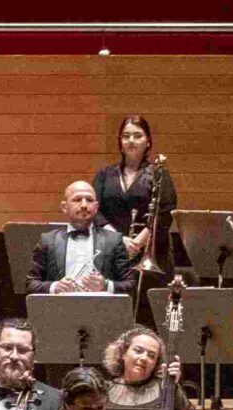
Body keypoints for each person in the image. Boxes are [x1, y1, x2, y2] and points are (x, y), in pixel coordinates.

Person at [91, 115, 176, 276]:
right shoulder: (105, 174)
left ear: (148, 142)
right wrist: (118, 239)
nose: (131, 140)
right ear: (120, 143)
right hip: (111, 251)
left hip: (153, 253)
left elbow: (165, 213)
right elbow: (94, 210)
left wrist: (137, 243)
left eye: (138, 136)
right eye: (126, 136)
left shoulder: (159, 173)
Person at [30, 182, 133, 294]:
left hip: (101, 309)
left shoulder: (113, 240)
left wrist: (106, 286)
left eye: (89, 200)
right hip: (59, 308)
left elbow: (130, 285)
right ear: (64, 207)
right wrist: (55, 287)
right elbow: (30, 283)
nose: (84, 205)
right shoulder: (48, 241)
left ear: (96, 207)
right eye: (77, 199)